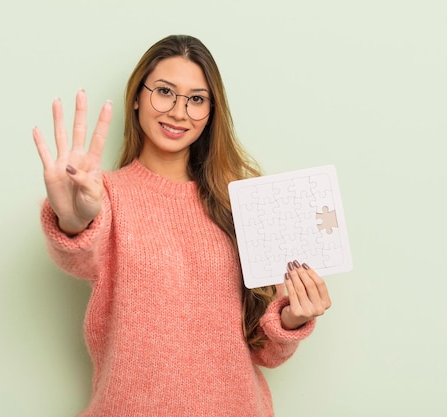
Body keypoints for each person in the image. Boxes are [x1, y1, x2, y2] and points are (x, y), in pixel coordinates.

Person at [32, 34, 332, 417]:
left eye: (196, 99)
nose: (178, 112)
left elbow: (264, 350)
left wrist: (293, 317)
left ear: (211, 112)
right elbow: (78, 252)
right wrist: (73, 219)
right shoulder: (104, 195)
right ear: (137, 96)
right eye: (164, 92)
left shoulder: (237, 202)